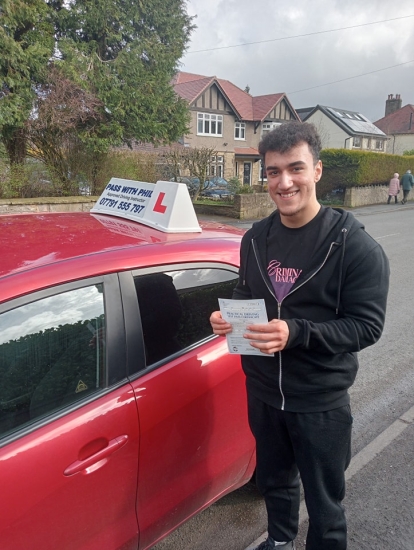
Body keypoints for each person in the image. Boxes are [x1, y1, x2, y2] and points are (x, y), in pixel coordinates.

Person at [209, 122, 389, 550]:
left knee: (326, 503)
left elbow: (367, 326)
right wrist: (226, 317)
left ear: (318, 171)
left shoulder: (355, 247)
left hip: (320, 401)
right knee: (274, 482)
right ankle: (280, 540)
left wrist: (297, 333)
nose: (284, 182)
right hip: (265, 393)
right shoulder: (255, 239)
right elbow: (245, 291)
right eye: (273, 172)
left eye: (296, 169)